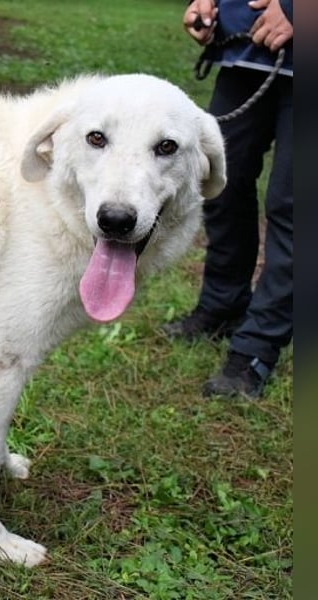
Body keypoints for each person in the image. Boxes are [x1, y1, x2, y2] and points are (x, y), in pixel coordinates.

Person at [164, 0, 292, 399]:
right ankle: (224, 303)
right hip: (246, 53)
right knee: (218, 181)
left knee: (293, 205)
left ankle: (257, 345)